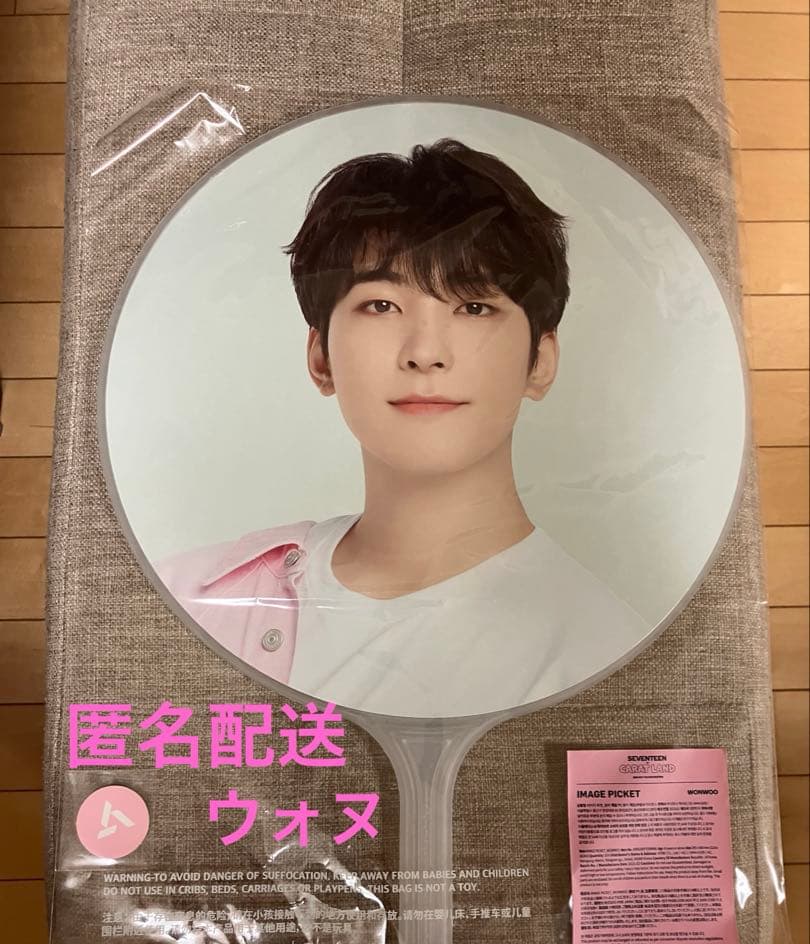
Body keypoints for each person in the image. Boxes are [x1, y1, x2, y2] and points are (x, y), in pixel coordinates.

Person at [155, 137, 649, 718]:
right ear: (321, 358)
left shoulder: (607, 657)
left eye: (474, 307)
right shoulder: (186, 597)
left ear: (539, 362)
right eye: (382, 306)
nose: (425, 353)